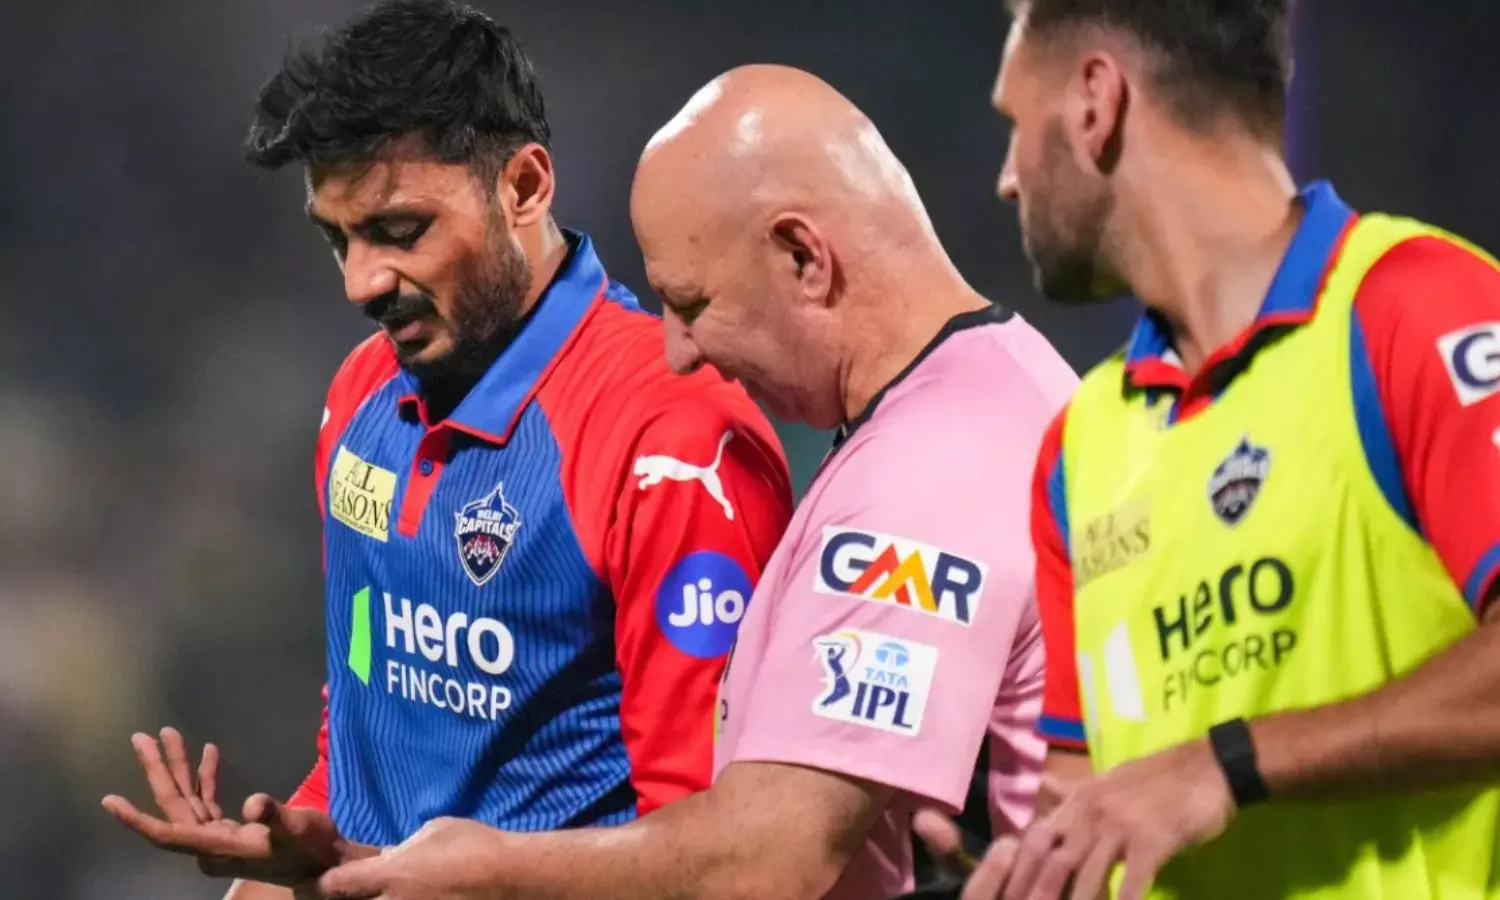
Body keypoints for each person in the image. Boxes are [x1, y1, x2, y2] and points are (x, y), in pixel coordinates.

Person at [307, 63, 1077, 900]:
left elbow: (768, 860)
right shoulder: (1001, 383)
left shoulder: (924, 479)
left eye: (694, 304)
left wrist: (493, 870)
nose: (680, 351)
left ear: (802, 257)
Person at [97, 2, 793, 897]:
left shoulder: (674, 441)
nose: (361, 283)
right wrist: (292, 861)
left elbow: (714, 855)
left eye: (399, 231)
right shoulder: (361, 395)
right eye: (336, 239)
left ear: (524, 187)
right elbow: (356, 747)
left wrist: (493, 881)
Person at [921, 1, 1500, 898]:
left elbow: (1188, 781)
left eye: (1013, 124)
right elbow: (1086, 801)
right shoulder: (1082, 442)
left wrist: (1228, 764)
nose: (1006, 179)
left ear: (1095, 102)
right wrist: (1023, 875)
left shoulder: (1418, 309)